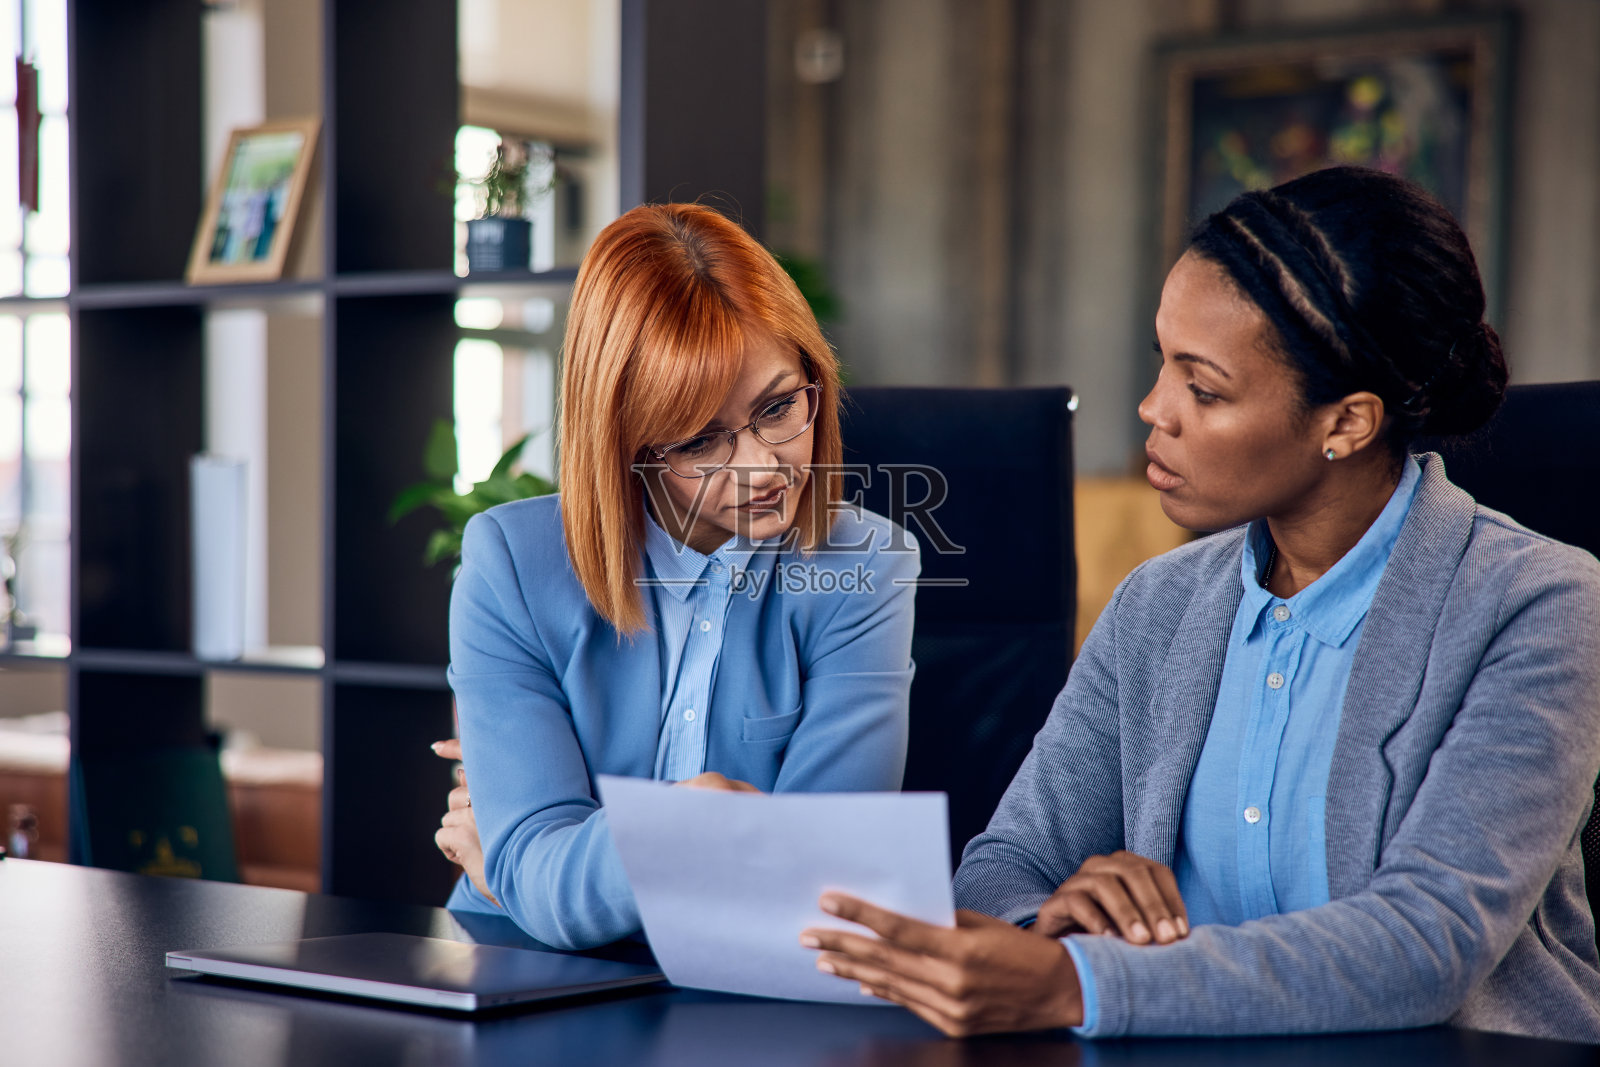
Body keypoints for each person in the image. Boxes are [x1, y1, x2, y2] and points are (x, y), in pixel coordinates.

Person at [801, 166, 1600, 1043]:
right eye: (1161, 362)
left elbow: (1426, 942)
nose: (1152, 409)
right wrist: (1056, 922)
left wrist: (1085, 983)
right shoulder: (1159, 603)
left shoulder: (1540, 604)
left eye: (1204, 387)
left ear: (1348, 423)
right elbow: (1005, 865)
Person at [437, 202, 919, 950]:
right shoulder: (510, 563)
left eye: (779, 406)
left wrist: (531, 866)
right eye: (699, 440)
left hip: (753, 991)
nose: (762, 466)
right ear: (625, 442)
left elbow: (825, 885)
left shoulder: (865, 567)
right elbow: (539, 882)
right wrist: (692, 825)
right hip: (522, 966)